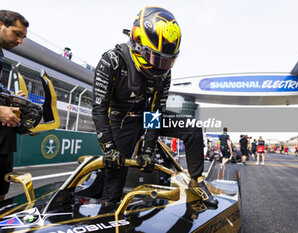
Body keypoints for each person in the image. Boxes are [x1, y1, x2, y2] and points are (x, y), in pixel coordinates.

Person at [92, 6, 217, 206]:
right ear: (137, 42)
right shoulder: (111, 61)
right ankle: (107, 209)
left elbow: (155, 111)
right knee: (115, 175)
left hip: (146, 115)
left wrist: (148, 150)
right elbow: (99, 109)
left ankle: (197, 181)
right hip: (121, 120)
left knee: (192, 128)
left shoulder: (164, 74)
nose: (161, 67)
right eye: (156, 58)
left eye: (167, 61)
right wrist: (108, 148)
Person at [0, 10, 29, 201]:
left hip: (3, 145)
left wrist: (9, 97)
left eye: (23, 37)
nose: (20, 41)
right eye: (17, 33)